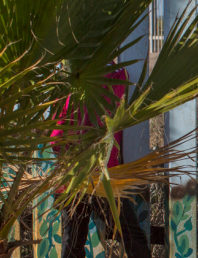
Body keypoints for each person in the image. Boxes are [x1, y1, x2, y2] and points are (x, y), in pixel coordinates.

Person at [51, 65, 150, 258]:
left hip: (73, 178)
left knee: (72, 244)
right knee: (131, 237)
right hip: (102, 175)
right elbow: (124, 78)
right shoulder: (115, 80)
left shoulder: (68, 90)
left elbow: (56, 140)